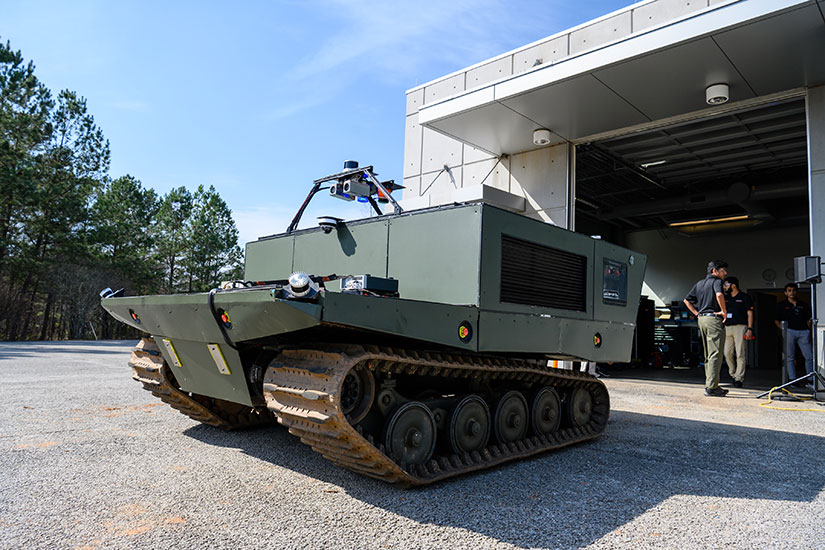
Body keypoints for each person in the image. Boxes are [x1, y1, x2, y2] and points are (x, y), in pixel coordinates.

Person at [684, 260, 729, 397]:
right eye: (722, 270)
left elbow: (687, 300)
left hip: (702, 319)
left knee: (708, 354)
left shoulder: (699, 283)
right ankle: (712, 387)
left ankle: (710, 383)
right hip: (713, 319)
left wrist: (697, 313)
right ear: (714, 271)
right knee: (716, 353)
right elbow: (719, 295)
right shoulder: (716, 281)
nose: (725, 273)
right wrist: (723, 311)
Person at [774, 282, 814, 388]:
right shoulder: (781, 305)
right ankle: (792, 379)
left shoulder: (803, 304)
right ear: (785, 293)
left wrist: (810, 330)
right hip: (789, 331)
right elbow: (776, 320)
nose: (792, 293)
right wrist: (784, 330)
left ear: (796, 292)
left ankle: (811, 379)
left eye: (794, 290)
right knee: (790, 356)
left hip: (804, 331)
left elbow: (808, 319)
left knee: (809, 356)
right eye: (789, 290)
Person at [723, 276, 753, 388]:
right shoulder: (725, 298)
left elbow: (750, 313)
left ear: (733, 285)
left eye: (726, 285)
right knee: (727, 352)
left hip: (740, 327)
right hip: (727, 327)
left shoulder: (744, 297)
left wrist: (750, 329)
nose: (724, 287)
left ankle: (739, 378)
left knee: (740, 353)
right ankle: (733, 373)